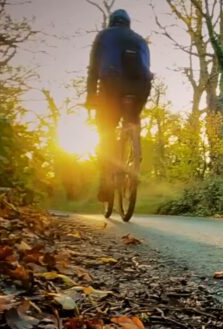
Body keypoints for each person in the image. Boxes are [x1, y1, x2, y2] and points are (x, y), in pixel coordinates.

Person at [86, 9, 152, 202]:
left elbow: (93, 70)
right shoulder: (140, 39)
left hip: (112, 84)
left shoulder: (104, 36)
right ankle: (134, 145)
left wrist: (91, 96)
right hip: (141, 86)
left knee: (105, 128)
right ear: (128, 24)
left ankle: (106, 180)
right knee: (132, 119)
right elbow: (147, 67)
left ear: (111, 22)